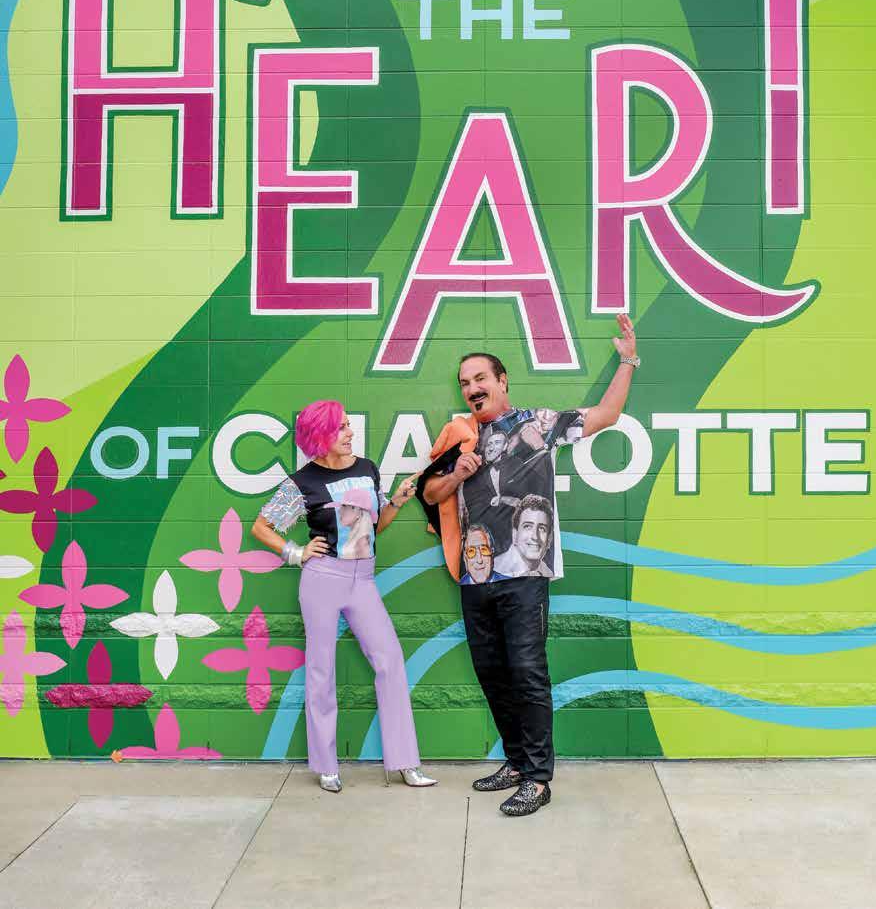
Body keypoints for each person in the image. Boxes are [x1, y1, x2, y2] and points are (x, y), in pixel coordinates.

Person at [422, 313, 638, 817]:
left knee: (526, 672)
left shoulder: (539, 423)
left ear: (502, 381)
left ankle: (538, 780)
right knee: (492, 674)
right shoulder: (458, 436)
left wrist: (628, 360)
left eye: (480, 378)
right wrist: (456, 475)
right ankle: (517, 763)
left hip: (524, 576)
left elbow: (606, 415)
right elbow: (429, 494)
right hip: (475, 575)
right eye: (465, 383)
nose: (472, 389)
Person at [251, 400, 437, 793]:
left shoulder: (367, 468)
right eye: (340, 428)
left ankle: (405, 762)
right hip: (322, 579)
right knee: (321, 671)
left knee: (390, 662)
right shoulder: (303, 482)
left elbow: (374, 527)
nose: (350, 433)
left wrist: (397, 501)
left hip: (363, 580)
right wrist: (296, 553)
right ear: (320, 436)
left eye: (349, 425)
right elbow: (261, 527)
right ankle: (326, 765)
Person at [494, 495, 553, 578]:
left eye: (542, 529)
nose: (535, 537)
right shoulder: (495, 571)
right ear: (515, 535)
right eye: (527, 526)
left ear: (549, 539)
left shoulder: (547, 572)